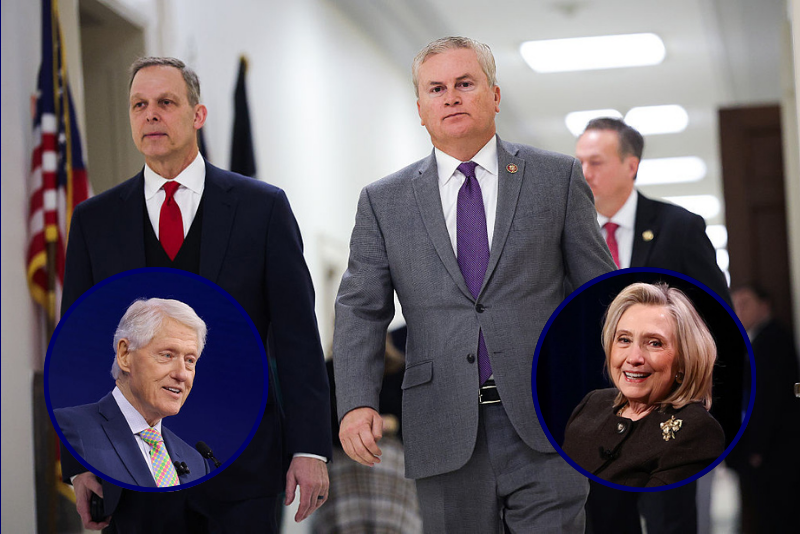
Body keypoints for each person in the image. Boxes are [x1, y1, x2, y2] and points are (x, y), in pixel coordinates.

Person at [333, 36, 616, 533]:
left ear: (495, 95)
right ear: (420, 108)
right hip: (441, 425)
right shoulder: (384, 201)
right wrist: (357, 401)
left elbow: (600, 295)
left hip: (549, 418)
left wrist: (622, 385)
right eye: (436, 88)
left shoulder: (556, 178)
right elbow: (360, 309)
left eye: (465, 84)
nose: (451, 97)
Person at [60, 57, 331, 533]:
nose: (151, 114)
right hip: (131, 471)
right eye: (139, 105)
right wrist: (80, 462)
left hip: (242, 468)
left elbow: (298, 339)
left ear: (197, 115)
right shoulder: (94, 220)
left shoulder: (262, 208)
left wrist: (309, 447)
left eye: (166, 102)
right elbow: (78, 346)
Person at [575, 117, 739, 533]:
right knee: (606, 520)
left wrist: (705, 396)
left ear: (630, 166)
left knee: (670, 520)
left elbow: (719, 320)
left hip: (669, 411)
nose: (584, 173)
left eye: (595, 162)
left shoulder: (679, 228)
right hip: (603, 413)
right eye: (579, 163)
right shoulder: (571, 233)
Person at [563, 282, 725, 486]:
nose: (634, 358)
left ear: (684, 360)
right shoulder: (592, 403)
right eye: (624, 340)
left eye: (654, 343)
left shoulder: (697, 430)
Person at [55, 299, 210, 491]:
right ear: (125, 355)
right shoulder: (70, 428)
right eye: (167, 355)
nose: (181, 374)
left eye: (190, 360)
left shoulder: (197, 463)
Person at [728, 284, 800, 534]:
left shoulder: (772, 340)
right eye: (735, 305)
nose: (739, 311)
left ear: (764, 305)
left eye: (745, 304)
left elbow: (768, 399)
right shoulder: (755, 340)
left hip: (774, 451)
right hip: (763, 449)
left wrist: (756, 448)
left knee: (777, 515)